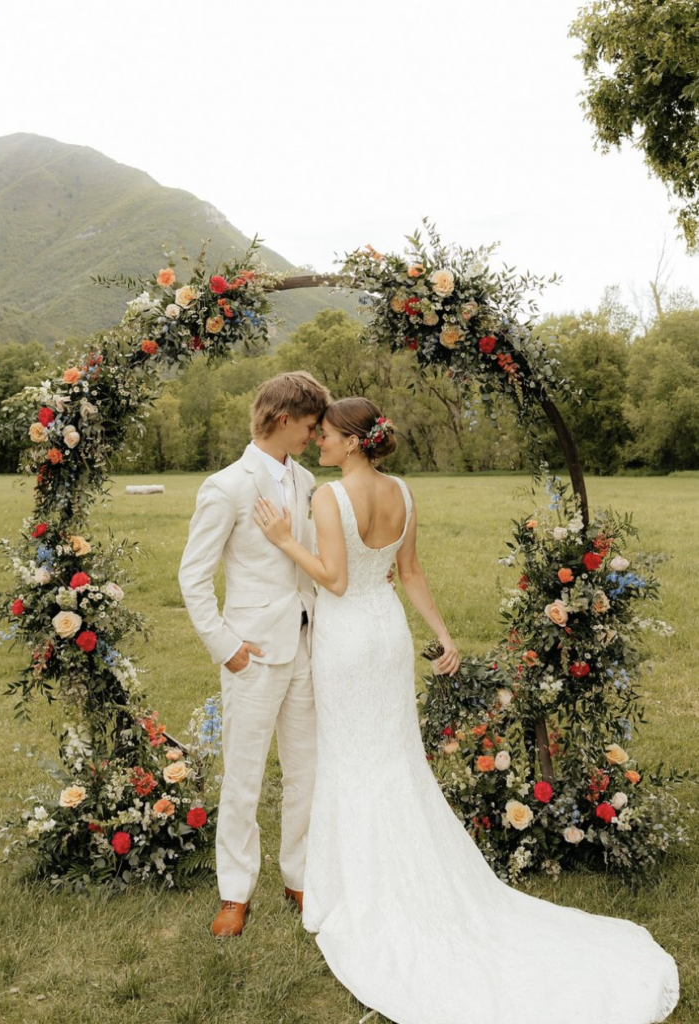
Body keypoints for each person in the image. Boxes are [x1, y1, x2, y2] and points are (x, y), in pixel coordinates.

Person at [253, 396, 679, 1024]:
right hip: (390, 635)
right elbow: (412, 571)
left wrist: (284, 539)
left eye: (326, 435)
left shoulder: (326, 497)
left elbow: (335, 581)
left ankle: (359, 891)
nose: (317, 441)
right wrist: (444, 635)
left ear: (351, 441)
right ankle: (392, 875)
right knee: (394, 757)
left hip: (346, 641)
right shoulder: (401, 491)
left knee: (352, 758)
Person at [178, 371, 330, 938]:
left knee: (305, 771)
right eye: (311, 425)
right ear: (283, 419)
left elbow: (310, 560)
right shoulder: (227, 486)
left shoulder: (308, 479)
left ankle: (300, 876)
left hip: (306, 646)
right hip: (254, 652)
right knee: (242, 777)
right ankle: (235, 892)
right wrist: (226, 647)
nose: (316, 436)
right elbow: (193, 577)